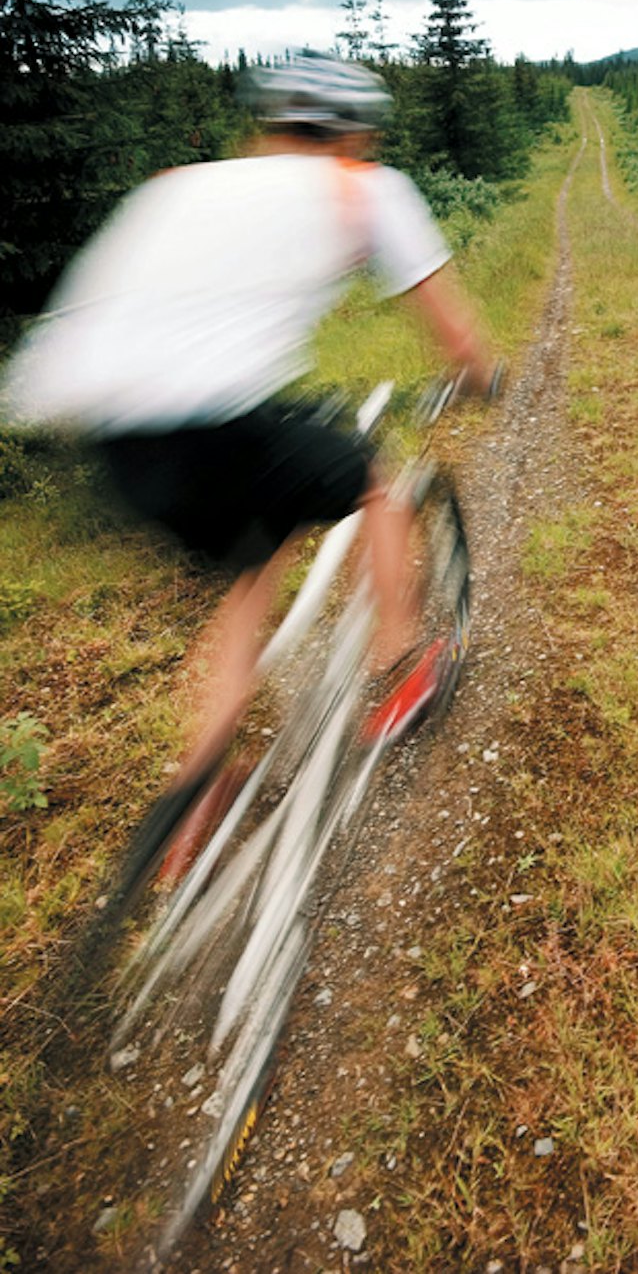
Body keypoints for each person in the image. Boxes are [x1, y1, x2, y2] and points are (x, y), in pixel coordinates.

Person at [2, 51, 496, 887]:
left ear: (268, 128)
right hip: (221, 420)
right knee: (375, 482)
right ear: (353, 134)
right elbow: (449, 324)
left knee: (248, 570)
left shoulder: (181, 186)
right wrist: (480, 368)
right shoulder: (366, 187)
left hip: (117, 444)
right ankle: (403, 662)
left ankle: (194, 792)